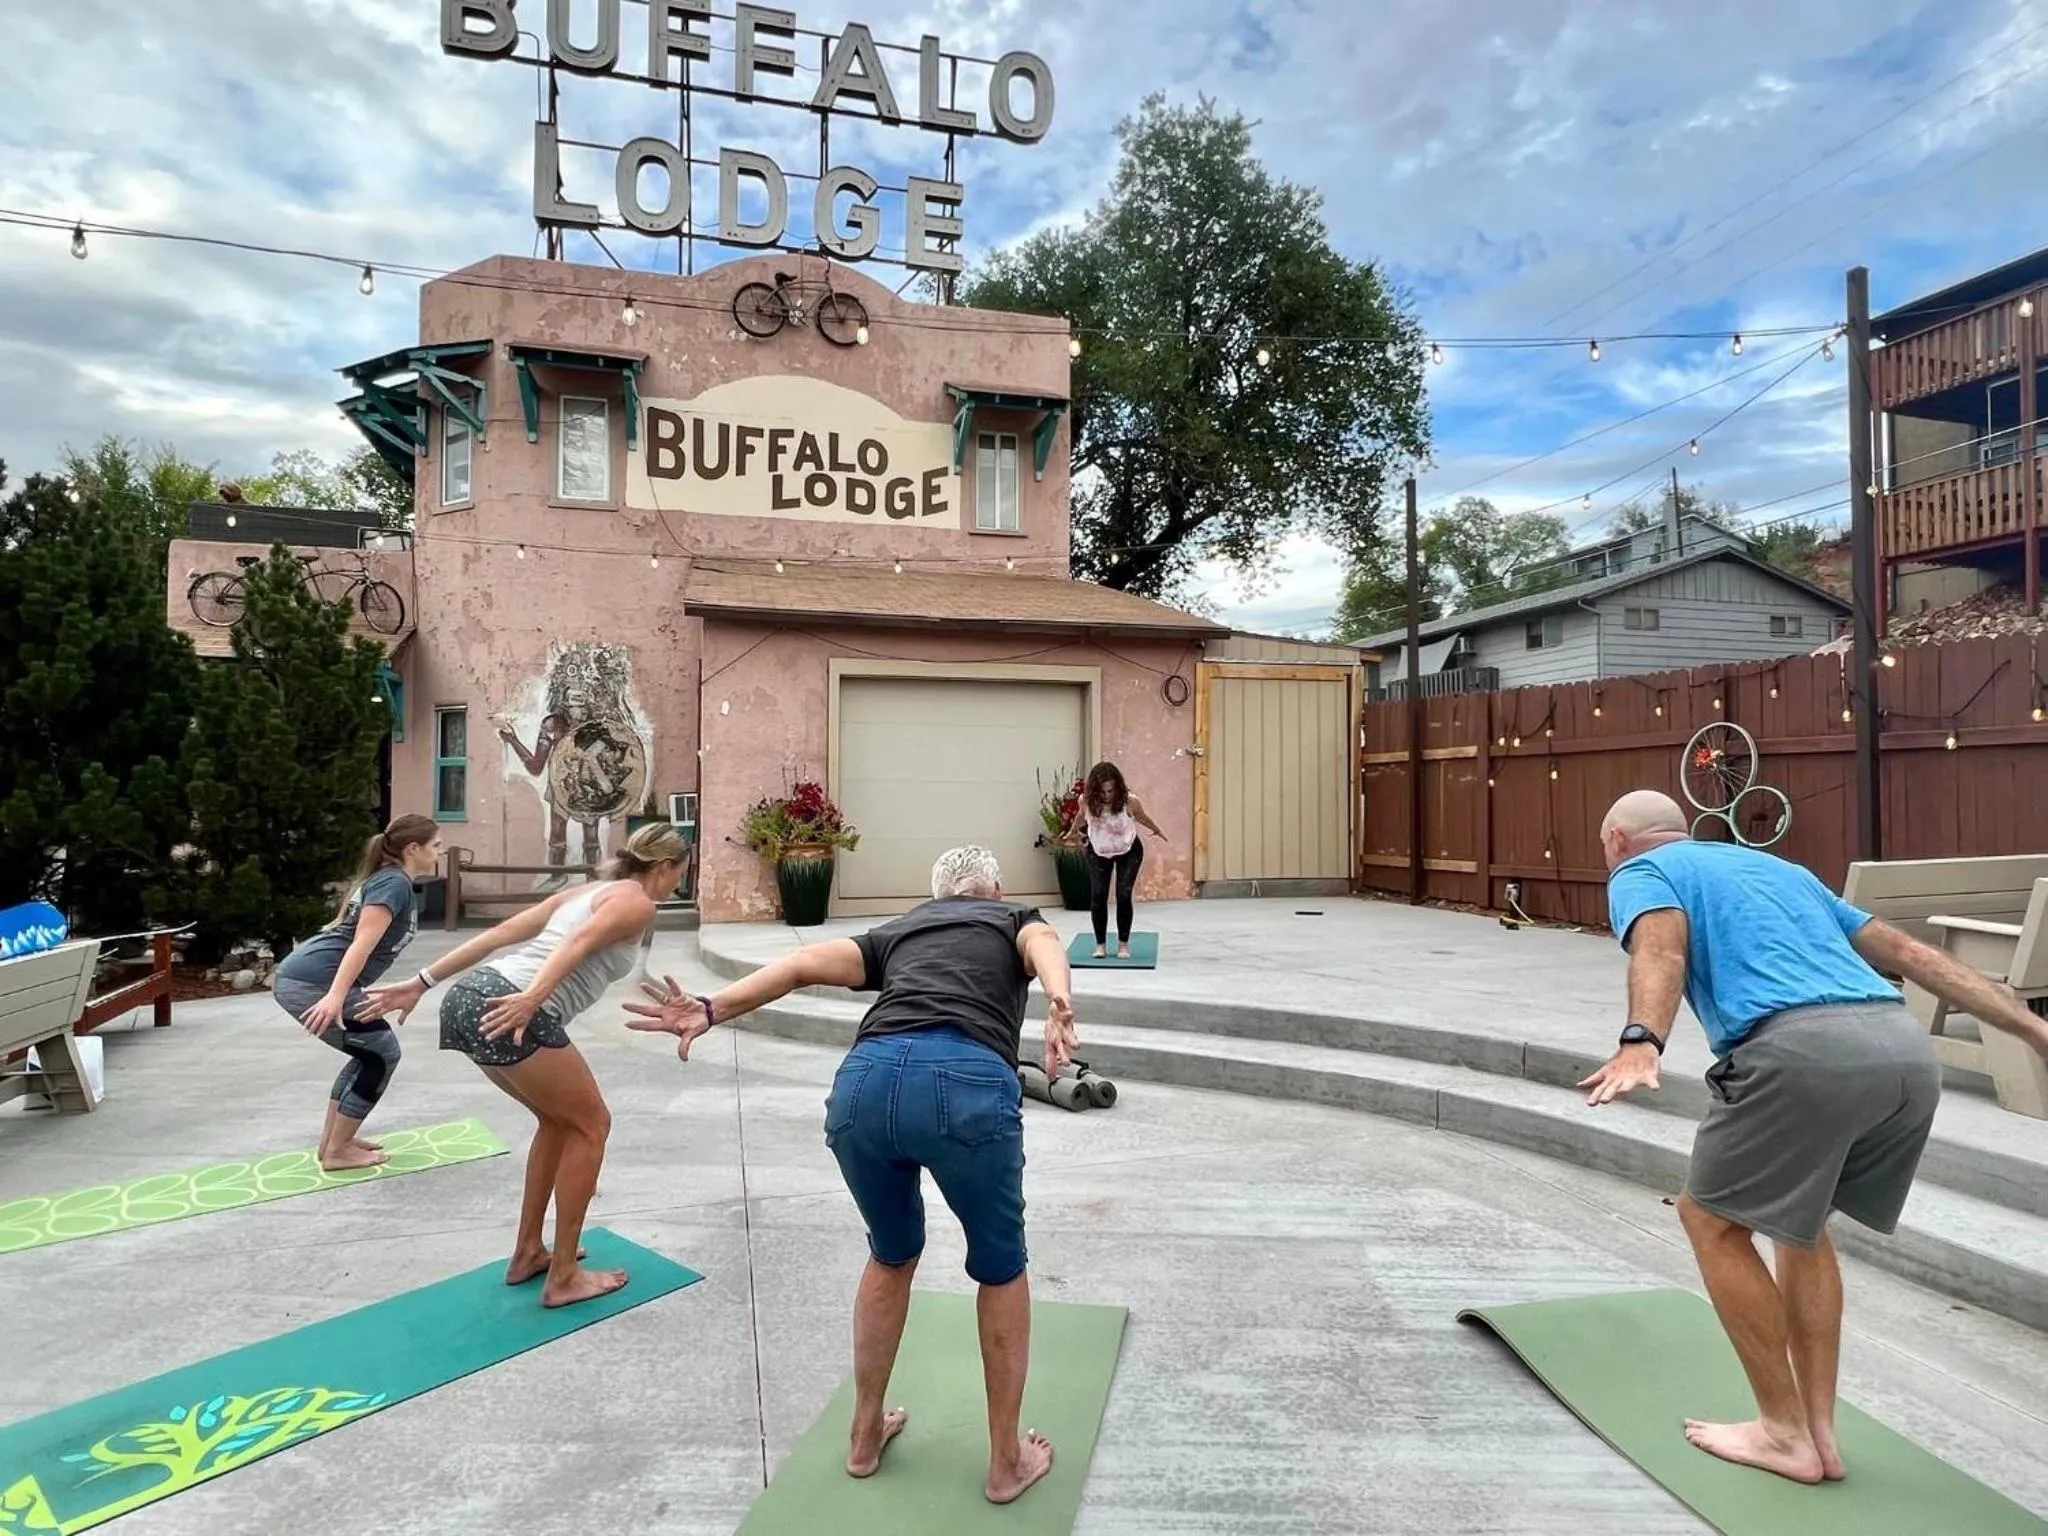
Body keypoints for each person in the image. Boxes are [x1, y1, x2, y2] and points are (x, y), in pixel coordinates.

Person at [1584, 789, 2048, 1485]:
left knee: (1708, 1220)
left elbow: (1661, 949)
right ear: (1687, 829)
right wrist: (2031, 1026)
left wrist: (1640, 1040)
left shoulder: (1641, 874)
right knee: (1800, 1227)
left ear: (1616, 839)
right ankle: (1818, 1432)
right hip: (1902, 1053)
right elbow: (1906, 951)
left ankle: (1781, 1432)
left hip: (1802, 1056)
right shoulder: (1779, 871)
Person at [625, 845, 1079, 1505]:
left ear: (936, 895)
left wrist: (713, 1007)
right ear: (994, 888)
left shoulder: (898, 931)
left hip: (863, 1085)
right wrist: (1060, 1001)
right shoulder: (1011, 917)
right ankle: (1005, 1464)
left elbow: (803, 962)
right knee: (1000, 1266)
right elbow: (1044, 945)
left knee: (891, 1254)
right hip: (966, 1084)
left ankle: (865, 1436)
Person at [363, 822, 687, 1308]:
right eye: (679, 873)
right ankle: (563, 1278)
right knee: (592, 1125)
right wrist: (534, 998)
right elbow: (573, 948)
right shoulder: (636, 902)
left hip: (473, 995)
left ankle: (529, 1253)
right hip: (511, 1003)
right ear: (664, 868)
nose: (678, 882)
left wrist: (422, 982)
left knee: (559, 1124)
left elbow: (499, 935)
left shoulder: (587, 892)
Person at [271, 815, 443, 1172]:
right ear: (414, 849)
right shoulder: (393, 884)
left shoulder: (391, 881)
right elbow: (361, 944)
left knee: (370, 1054)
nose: (439, 852)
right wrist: (336, 996)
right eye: (435, 846)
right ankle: (337, 1152)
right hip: (312, 983)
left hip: (309, 979)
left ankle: (334, 1142)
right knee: (382, 1055)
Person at [1064, 761, 1166, 959]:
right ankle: (1100, 945)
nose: (1107, 796)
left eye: (1111, 791)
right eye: (1102, 792)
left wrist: (1157, 829)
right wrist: (1071, 832)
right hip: (1099, 850)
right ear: (1095, 790)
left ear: (1117, 788)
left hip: (1128, 851)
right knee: (1098, 897)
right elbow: (1080, 818)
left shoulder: (1129, 800)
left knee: (1124, 895)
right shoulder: (1085, 800)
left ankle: (1123, 945)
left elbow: (1142, 817)